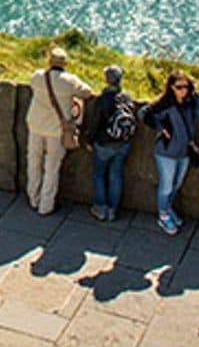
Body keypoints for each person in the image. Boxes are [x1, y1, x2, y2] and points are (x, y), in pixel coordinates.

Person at [25, 47, 93, 217]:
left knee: (33, 161)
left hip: (35, 125)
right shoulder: (69, 81)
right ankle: (45, 205)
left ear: (49, 62)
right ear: (66, 64)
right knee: (52, 167)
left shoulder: (38, 76)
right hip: (56, 131)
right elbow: (87, 92)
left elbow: (32, 84)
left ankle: (33, 197)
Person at [141, 71, 199, 235]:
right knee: (166, 186)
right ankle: (163, 215)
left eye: (186, 87)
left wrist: (197, 95)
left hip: (184, 151)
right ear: (171, 87)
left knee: (176, 184)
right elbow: (143, 113)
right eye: (179, 87)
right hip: (166, 152)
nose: (183, 90)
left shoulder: (190, 103)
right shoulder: (165, 104)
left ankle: (167, 208)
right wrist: (161, 128)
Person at [85, 64, 137, 222]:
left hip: (104, 143)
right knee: (116, 176)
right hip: (123, 143)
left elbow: (95, 122)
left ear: (106, 79)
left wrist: (88, 140)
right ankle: (113, 210)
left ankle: (101, 208)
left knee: (99, 175)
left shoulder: (103, 99)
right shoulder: (127, 96)